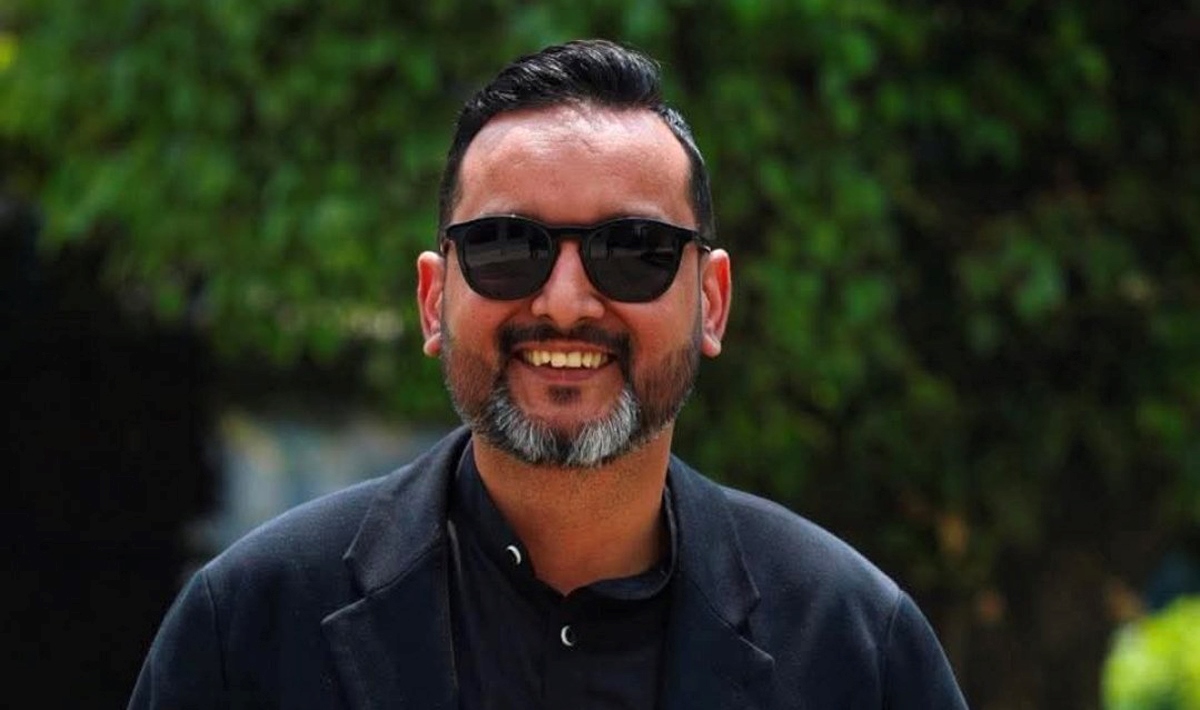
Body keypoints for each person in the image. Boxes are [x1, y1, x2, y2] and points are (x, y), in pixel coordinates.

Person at [129, 39, 969, 709]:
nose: (565, 303)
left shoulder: (855, 645)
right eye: (507, 247)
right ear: (433, 300)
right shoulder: (249, 626)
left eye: (633, 251)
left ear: (712, 303)